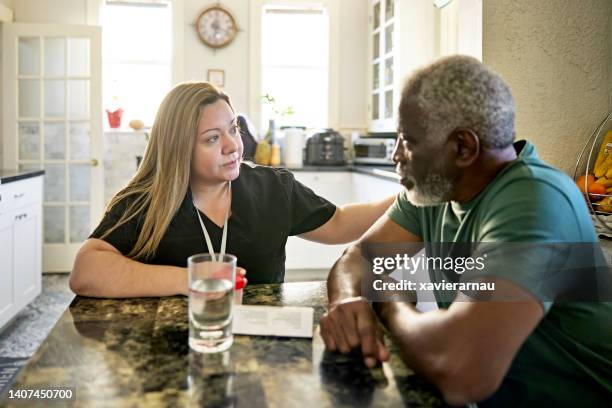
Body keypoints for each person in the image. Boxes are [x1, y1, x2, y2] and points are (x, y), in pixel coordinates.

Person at [320, 56, 612, 406]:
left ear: (463, 147)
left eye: (407, 141)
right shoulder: (434, 191)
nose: (396, 155)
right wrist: (348, 301)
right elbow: (356, 260)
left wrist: (388, 300)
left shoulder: (536, 200)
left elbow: (461, 372)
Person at [70, 82, 395, 298]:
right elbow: (86, 271)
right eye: (212, 138)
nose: (233, 146)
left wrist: (407, 198)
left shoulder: (272, 187)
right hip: (178, 347)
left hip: (263, 347)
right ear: (179, 147)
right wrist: (189, 280)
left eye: (233, 129)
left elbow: (338, 224)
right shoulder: (146, 201)